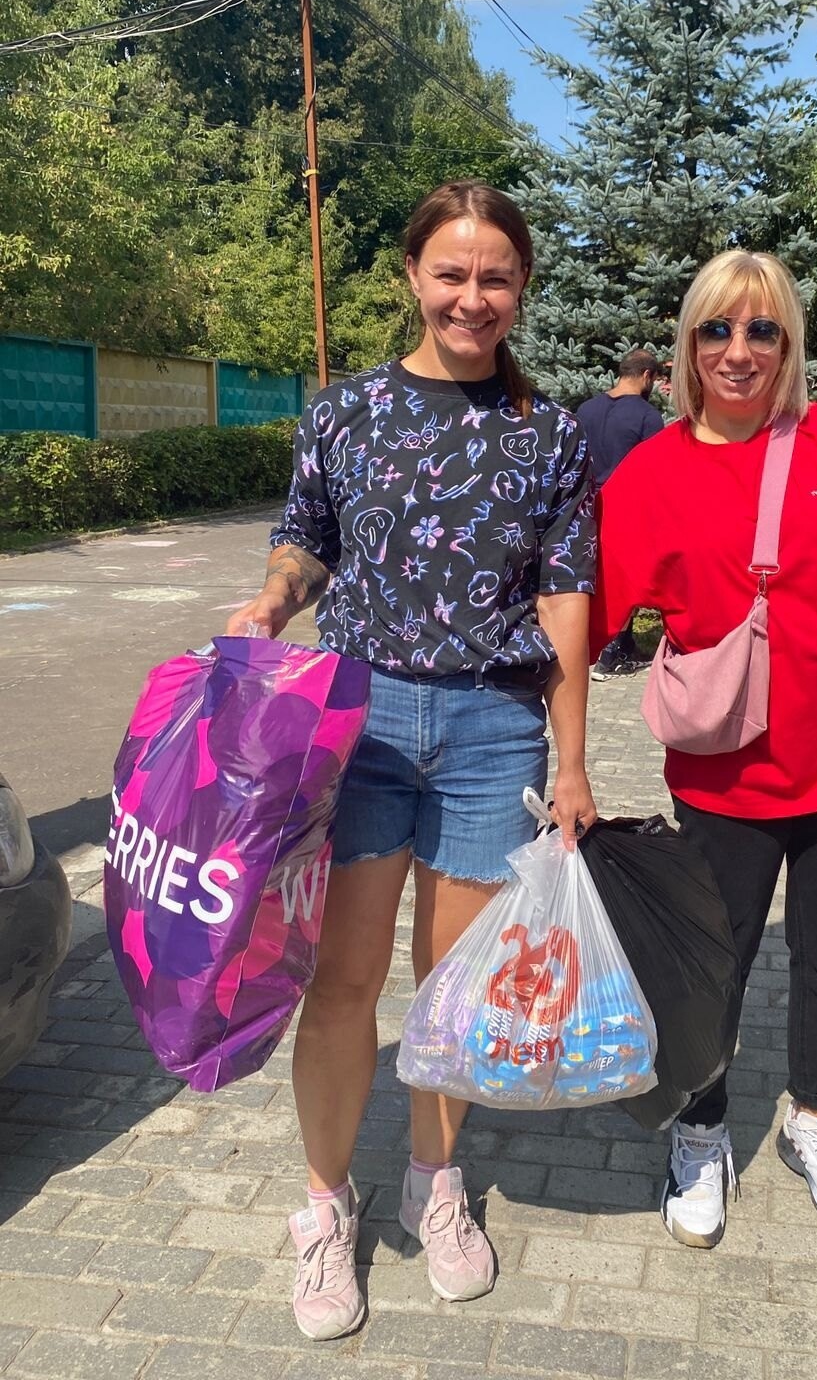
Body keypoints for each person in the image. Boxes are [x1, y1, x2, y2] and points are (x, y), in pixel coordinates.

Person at [225, 181, 597, 1333]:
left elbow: (566, 595)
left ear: (521, 287)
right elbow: (307, 536)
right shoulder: (347, 412)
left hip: (493, 727)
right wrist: (275, 599)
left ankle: (436, 1186)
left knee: (452, 993)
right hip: (360, 722)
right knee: (342, 982)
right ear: (413, 277)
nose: (471, 297)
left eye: (495, 277)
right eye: (451, 272)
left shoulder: (551, 432)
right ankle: (323, 1209)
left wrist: (573, 760)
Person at [591, 250, 817, 1248]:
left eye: (763, 330)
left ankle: (816, 1119)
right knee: (717, 966)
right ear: (687, 343)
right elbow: (584, 616)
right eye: (717, 328)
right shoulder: (652, 473)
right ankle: (701, 1131)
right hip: (725, 782)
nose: (739, 351)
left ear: (788, 343)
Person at [576, 350, 664, 679]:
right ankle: (611, 654)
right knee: (625, 576)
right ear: (647, 376)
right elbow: (654, 470)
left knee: (594, 576)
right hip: (625, 506)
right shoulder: (647, 416)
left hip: (585, 504)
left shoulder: (585, 409)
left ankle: (611, 644)